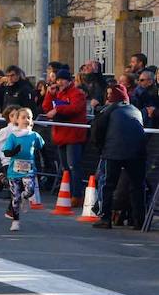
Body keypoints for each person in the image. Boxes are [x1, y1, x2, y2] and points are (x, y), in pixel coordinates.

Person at [91, 85, 147, 229]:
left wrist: (100, 148)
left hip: (113, 152)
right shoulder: (136, 111)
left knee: (108, 185)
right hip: (137, 153)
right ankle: (139, 220)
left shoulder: (109, 110)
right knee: (137, 186)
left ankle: (105, 218)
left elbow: (97, 130)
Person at [42, 68, 88, 205]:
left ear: (69, 81)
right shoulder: (58, 94)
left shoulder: (77, 93)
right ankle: (67, 192)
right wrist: (49, 95)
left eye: (62, 80)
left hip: (73, 135)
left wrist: (57, 109)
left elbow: (74, 108)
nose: (59, 82)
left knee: (74, 166)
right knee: (65, 167)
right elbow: (46, 108)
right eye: (58, 80)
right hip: (61, 134)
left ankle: (77, 194)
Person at [2, 107, 44, 232]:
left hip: (29, 170)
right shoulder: (13, 136)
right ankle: (15, 221)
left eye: (29, 117)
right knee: (15, 198)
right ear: (17, 120)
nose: (26, 120)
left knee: (30, 190)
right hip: (14, 171)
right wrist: (14, 151)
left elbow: (41, 145)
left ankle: (25, 197)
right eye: (23, 117)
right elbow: (6, 152)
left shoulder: (34, 135)